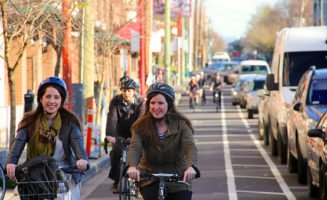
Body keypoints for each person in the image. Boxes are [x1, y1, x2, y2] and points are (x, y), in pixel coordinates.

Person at [6, 76, 89, 200]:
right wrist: (11, 163)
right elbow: (18, 142)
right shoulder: (30, 121)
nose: (52, 101)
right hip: (35, 176)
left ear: (61, 100)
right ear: (41, 99)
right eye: (48, 97)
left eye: (56, 97)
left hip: (63, 175)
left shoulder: (69, 122)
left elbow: (78, 143)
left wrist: (82, 160)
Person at [127, 83, 198, 200]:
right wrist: (132, 167)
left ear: (169, 105)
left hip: (178, 176)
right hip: (149, 176)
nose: (156, 107)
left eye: (161, 103)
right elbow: (135, 147)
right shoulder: (140, 126)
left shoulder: (182, 124)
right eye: (152, 103)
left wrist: (191, 167)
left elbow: (189, 147)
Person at [105, 77, 146, 193]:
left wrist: (135, 136)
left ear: (134, 91)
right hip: (120, 132)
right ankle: (117, 182)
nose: (126, 93)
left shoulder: (141, 102)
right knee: (116, 153)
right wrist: (110, 135)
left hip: (136, 131)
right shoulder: (115, 101)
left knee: (140, 154)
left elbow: (141, 119)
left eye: (129, 90)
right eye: (124, 90)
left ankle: (139, 184)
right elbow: (112, 118)